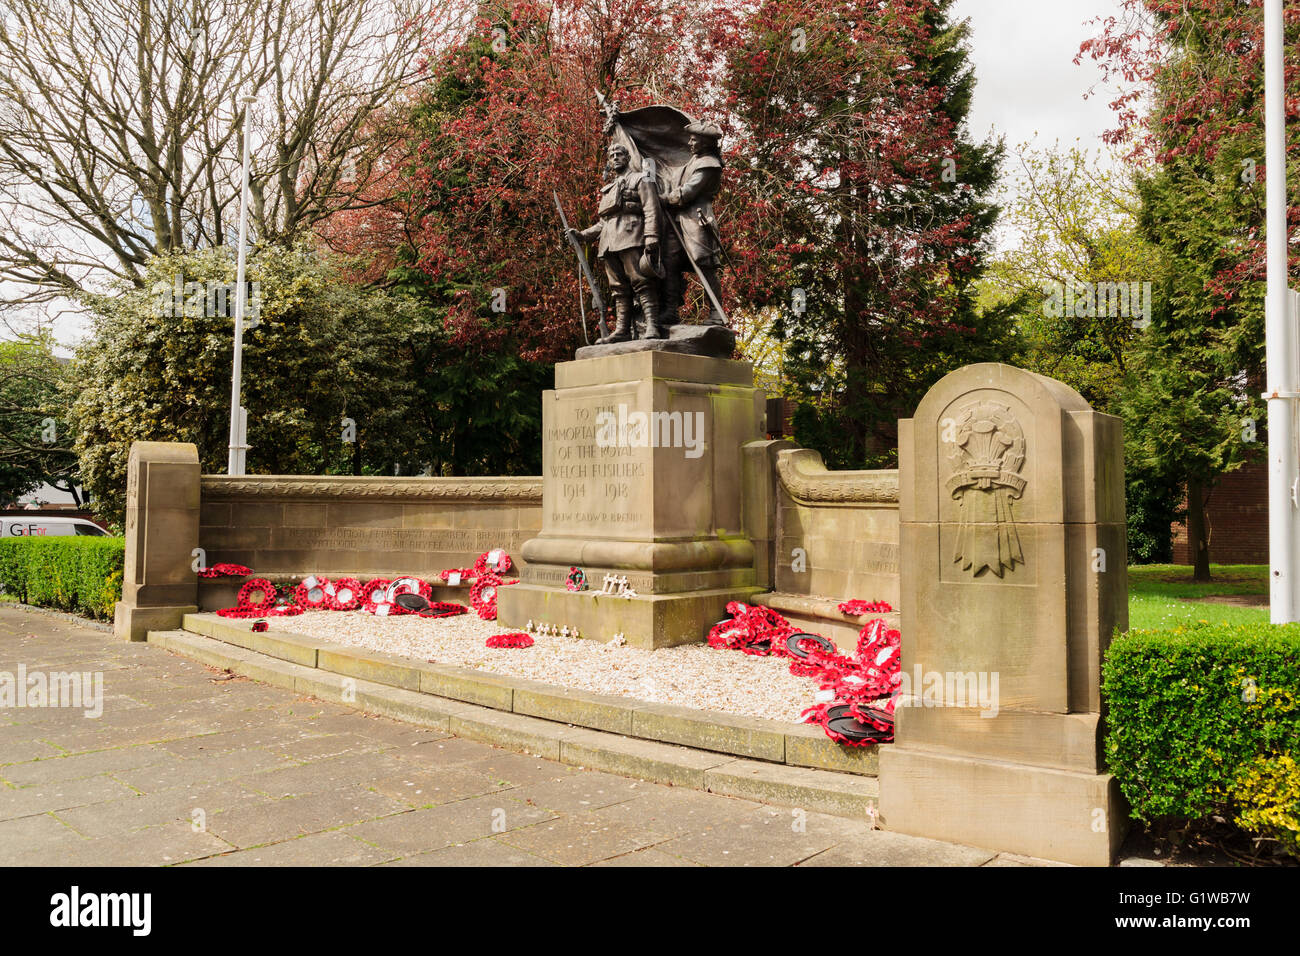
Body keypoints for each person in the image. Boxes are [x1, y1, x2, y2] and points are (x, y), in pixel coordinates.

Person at [569, 143, 661, 344]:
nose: (616, 157)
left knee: (641, 281)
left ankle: (652, 324)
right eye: (612, 156)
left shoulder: (641, 178)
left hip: (631, 235)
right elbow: (604, 222)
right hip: (609, 242)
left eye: (619, 154)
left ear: (627, 158)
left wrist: (652, 236)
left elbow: (652, 209)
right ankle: (622, 330)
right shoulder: (608, 189)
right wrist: (583, 235)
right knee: (618, 288)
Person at [659, 120, 725, 331]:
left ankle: (715, 312)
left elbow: (687, 192)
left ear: (705, 143)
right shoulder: (692, 161)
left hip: (697, 218)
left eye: (694, 139)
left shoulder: (709, 165)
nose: (690, 143)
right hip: (679, 220)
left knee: (704, 265)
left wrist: (665, 198)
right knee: (670, 262)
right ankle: (671, 310)